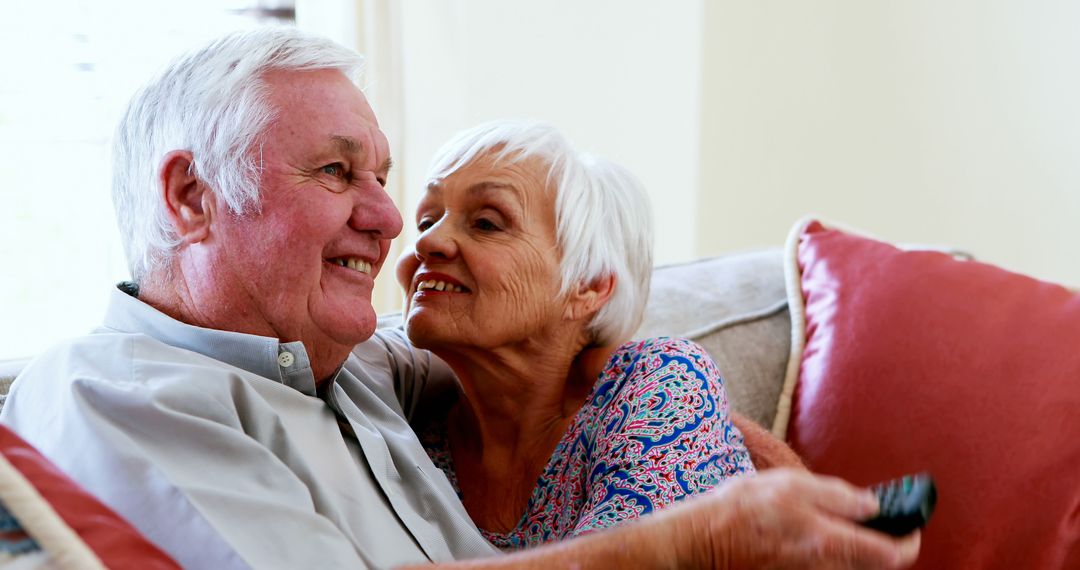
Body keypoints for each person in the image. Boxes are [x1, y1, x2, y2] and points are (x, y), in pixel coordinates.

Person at [0, 26, 920, 569]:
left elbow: (513, 347)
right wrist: (694, 540)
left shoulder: (343, 365)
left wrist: (706, 418)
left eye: (384, 177)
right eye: (336, 172)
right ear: (192, 199)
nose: (396, 221)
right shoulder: (115, 390)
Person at [395, 120, 755, 549]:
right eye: (426, 220)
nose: (427, 243)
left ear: (588, 286)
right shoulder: (406, 428)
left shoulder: (660, 381)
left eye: (487, 223)